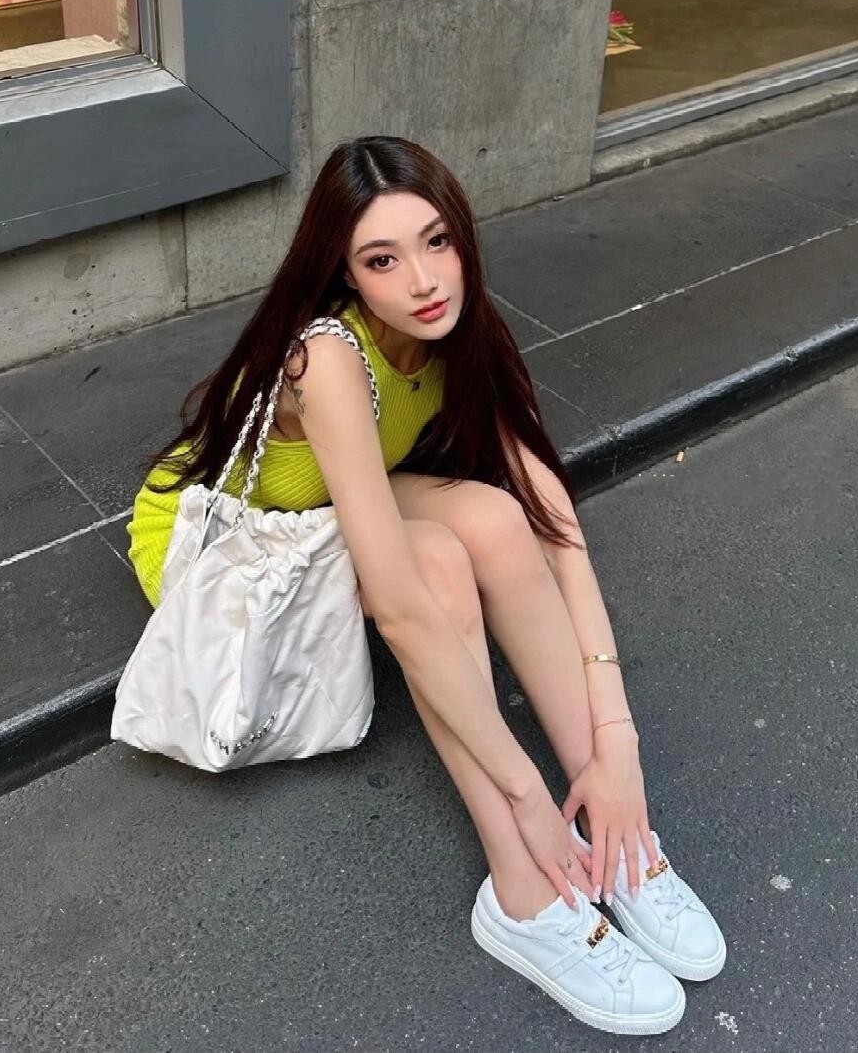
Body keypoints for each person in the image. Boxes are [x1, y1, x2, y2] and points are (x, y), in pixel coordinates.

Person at [127, 136, 726, 1036]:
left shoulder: (457, 327)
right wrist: (526, 792)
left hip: (338, 497)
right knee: (437, 566)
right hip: (238, 539)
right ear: (344, 272)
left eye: (436, 241)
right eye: (382, 259)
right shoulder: (326, 357)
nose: (422, 280)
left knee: (499, 517)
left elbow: (555, 522)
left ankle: (619, 837)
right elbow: (404, 610)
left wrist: (616, 745)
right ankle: (523, 891)